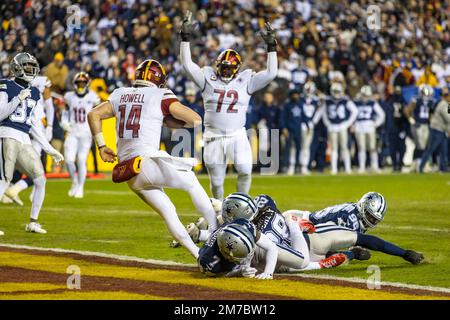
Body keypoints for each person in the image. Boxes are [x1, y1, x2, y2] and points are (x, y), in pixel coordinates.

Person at [87, 58, 218, 258]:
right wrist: (169, 122)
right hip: (146, 161)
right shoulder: (160, 94)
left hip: (129, 173)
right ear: (159, 80)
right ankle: (216, 232)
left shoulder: (119, 94)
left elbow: (93, 115)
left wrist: (102, 146)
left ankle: (199, 255)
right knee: (191, 181)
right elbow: (195, 120)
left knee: (168, 211)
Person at [179, 11, 278, 200]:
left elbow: (271, 73)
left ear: (237, 69)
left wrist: (271, 46)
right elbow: (186, 64)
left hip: (237, 134)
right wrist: (185, 38)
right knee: (216, 182)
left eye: (229, 68)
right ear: (217, 66)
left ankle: (242, 206)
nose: (225, 71)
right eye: (223, 67)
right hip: (213, 135)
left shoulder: (246, 80)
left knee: (245, 170)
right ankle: (218, 208)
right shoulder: (207, 77)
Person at [0, 52, 64, 234]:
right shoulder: (5, 85)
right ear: (17, 67)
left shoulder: (35, 92)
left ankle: (33, 222)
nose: (30, 69)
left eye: (31, 66)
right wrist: (18, 99)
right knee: (4, 180)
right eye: (26, 66)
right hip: (7, 135)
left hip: (24, 139)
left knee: (40, 179)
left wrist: (50, 149)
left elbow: (34, 125)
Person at [2, 73, 55, 205]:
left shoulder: (40, 82)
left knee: (18, 166)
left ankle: (13, 190)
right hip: (23, 127)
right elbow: (49, 106)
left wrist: (49, 126)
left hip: (31, 125)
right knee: (32, 168)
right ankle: (13, 190)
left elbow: (49, 105)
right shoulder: (10, 84)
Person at [61, 72, 100, 198]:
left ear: (87, 83)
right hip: (72, 132)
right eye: (79, 83)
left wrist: (96, 131)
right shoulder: (69, 96)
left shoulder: (93, 97)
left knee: (82, 160)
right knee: (69, 160)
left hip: (86, 133)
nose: (81, 85)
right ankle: (75, 182)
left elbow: (97, 116)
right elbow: (65, 113)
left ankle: (81, 187)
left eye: (83, 82)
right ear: (75, 84)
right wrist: (64, 122)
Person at [323, 82, 358, 174]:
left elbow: (355, 111)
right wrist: (327, 123)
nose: (336, 93)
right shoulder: (328, 101)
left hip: (342, 126)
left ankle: (347, 168)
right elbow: (323, 113)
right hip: (332, 127)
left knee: (344, 148)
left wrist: (347, 123)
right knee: (334, 148)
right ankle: (334, 168)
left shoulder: (345, 100)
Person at [354, 86, 385, 173]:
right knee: (361, 148)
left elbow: (382, 114)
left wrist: (375, 124)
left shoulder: (372, 103)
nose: (365, 97)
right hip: (359, 127)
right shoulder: (356, 102)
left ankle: (374, 166)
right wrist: (353, 124)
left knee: (372, 148)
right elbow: (352, 114)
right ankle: (362, 167)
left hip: (370, 127)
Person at [404, 84, 435, 171]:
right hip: (418, 124)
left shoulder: (432, 102)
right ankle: (421, 164)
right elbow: (407, 110)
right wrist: (412, 120)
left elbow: (433, 113)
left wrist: (431, 121)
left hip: (426, 124)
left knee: (424, 145)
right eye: (424, 94)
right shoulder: (416, 100)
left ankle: (417, 163)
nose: (426, 96)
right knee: (420, 145)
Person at [419, 88, 450, 173]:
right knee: (430, 149)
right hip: (436, 130)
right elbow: (448, 118)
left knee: (443, 150)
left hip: (442, 130)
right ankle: (421, 167)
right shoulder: (443, 104)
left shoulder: (447, 104)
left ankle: (443, 168)